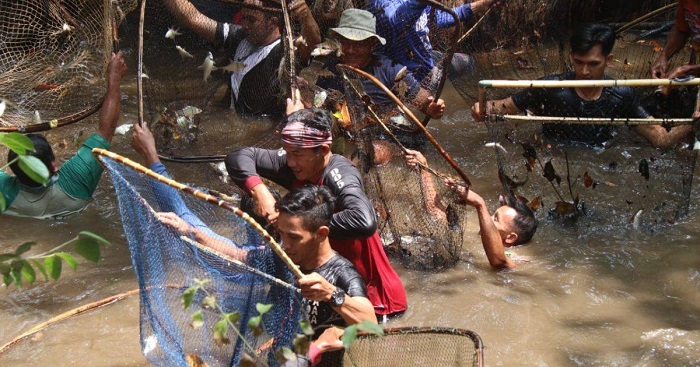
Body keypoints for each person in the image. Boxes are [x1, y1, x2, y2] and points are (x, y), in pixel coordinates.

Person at [131, 123, 377, 338]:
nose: (285, 244)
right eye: (280, 234)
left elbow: (371, 325)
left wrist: (331, 294)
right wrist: (190, 232)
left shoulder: (341, 273)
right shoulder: (283, 254)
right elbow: (238, 256)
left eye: (293, 237)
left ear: (322, 234)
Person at [225, 100, 408, 321]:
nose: (290, 162)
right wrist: (259, 190)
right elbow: (238, 156)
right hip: (328, 288)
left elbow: (364, 220)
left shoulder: (339, 173)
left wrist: (301, 223)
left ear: (323, 150)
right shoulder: (295, 164)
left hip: (375, 302)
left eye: (298, 154)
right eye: (287, 153)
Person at [472, 23, 692, 149]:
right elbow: (501, 107)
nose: (585, 71)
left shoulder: (621, 94)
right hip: (555, 155)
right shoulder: (551, 87)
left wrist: (692, 124)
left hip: (602, 160)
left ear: (610, 60)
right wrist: (481, 108)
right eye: (579, 62)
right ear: (571, 57)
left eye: (593, 64)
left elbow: (661, 139)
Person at [0, 52, 126, 219]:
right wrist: (114, 77)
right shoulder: (75, 181)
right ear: (54, 166)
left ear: (13, 171)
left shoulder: (4, 190)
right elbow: (107, 130)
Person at [163, 0, 321, 117]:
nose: (244, 24)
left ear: (272, 23)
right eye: (243, 18)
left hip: (256, 125)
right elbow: (192, 18)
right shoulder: (238, 36)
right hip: (230, 114)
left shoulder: (284, 53)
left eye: (251, 20)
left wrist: (306, 16)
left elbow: (314, 43)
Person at [405, 149, 538, 270]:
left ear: (510, 238)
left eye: (495, 219)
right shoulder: (472, 231)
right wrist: (423, 168)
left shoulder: (520, 259)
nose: (488, 218)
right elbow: (435, 213)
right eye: (493, 214)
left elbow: (499, 262)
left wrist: (480, 204)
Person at [315, 9, 446, 121]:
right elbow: (319, 104)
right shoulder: (330, 69)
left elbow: (424, 103)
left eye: (358, 44)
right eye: (346, 43)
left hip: (385, 133)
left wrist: (432, 108)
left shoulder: (391, 72)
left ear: (372, 45)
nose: (350, 50)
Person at [366, 0, 498, 82]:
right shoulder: (379, 2)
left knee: (470, 63)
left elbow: (439, 18)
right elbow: (395, 21)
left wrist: (481, 5)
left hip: (427, 63)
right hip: (404, 75)